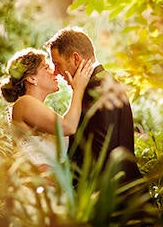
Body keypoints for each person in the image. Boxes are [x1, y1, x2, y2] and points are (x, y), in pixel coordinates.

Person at [44, 27, 143, 184]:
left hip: (107, 195)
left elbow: (100, 154)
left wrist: (58, 174)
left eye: (57, 64)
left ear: (75, 58)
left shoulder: (96, 90)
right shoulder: (104, 83)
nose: (55, 72)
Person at [0, 48, 95, 170]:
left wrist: (75, 90)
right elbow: (68, 126)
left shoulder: (33, 107)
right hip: (37, 187)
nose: (54, 72)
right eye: (46, 68)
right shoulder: (24, 103)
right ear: (31, 78)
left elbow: (67, 121)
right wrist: (79, 89)